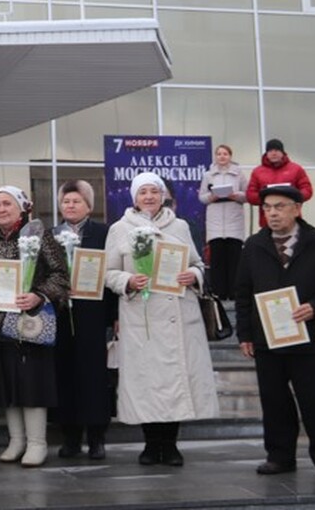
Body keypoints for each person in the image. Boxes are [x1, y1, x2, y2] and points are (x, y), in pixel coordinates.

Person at [104, 172, 219, 466]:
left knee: (176, 379)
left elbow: (197, 263)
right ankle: (150, 444)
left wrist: (193, 275)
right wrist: (128, 281)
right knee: (146, 382)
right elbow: (108, 272)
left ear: (164, 195)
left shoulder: (180, 226)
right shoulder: (119, 229)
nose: (149, 197)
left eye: (155, 191)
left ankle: (170, 445)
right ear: (134, 197)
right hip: (141, 317)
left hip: (179, 314)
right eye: (143, 192)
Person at [236, 185, 315, 484]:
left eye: (280, 206)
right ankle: (279, 457)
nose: (272, 213)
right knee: (274, 402)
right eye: (267, 207)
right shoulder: (253, 245)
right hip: (266, 340)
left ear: (297, 209)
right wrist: (244, 334)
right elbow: (243, 293)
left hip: (308, 337)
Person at [0, 186, 69, 468]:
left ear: (21, 207)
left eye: (7, 204)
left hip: (32, 322)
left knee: (32, 384)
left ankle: (37, 443)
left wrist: (38, 295)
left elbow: (61, 276)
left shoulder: (40, 235)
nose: (2, 209)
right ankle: (16, 440)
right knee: (8, 385)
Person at [51, 180, 115, 460]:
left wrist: (114, 316)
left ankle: (97, 437)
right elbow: (41, 275)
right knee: (64, 375)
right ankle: (70, 437)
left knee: (94, 377)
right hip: (61, 315)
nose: (70, 206)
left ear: (89, 205)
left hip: (93, 315)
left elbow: (112, 275)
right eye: (66, 201)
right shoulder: (50, 236)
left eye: (76, 201)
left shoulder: (104, 233)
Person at [199, 144, 249, 300]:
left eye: (225, 154)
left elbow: (247, 195)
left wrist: (235, 195)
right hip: (215, 221)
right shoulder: (208, 175)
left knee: (234, 259)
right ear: (215, 156)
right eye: (219, 154)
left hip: (234, 219)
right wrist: (213, 196)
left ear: (230, 156)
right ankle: (219, 292)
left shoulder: (239, 174)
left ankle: (234, 292)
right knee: (218, 259)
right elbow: (202, 197)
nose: (222, 156)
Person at [246, 139, 314, 228]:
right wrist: (267, 199)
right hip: (267, 222)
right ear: (266, 153)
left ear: (282, 152)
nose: (273, 153)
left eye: (277, 150)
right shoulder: (257, 172)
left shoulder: (296, 169)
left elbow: (307, 190)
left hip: (292, 220)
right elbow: (250, 195)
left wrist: (292, 197)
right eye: (270, 151)